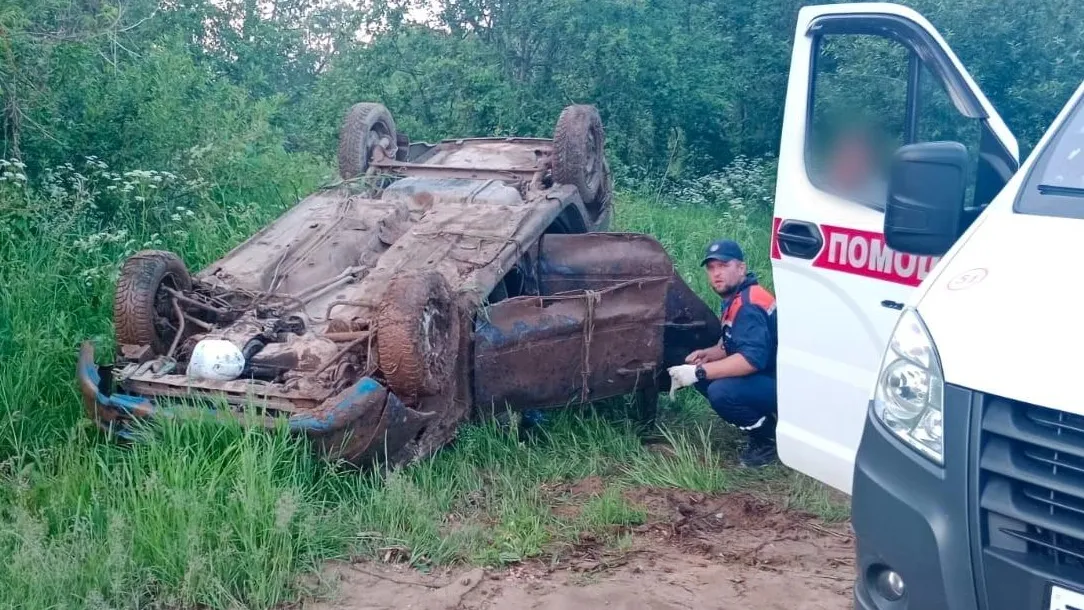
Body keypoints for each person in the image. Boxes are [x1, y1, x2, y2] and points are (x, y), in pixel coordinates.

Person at [667, 238, 779, 468]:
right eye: (711, 268)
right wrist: (709, 354)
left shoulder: (749, 305)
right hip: (770, 374)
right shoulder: (738, 297)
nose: (717, 274)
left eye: (724, 266)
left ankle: (766, 439)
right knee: (703, 375)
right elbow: (732, 341)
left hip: (782, 383)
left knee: (720, 391)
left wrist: (699, 371)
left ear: (741, 268)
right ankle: (757, 419)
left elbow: (750, 360)